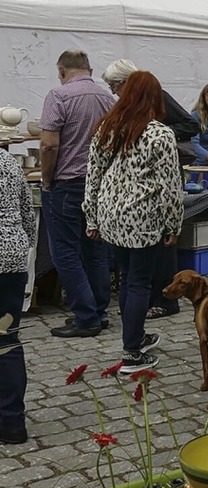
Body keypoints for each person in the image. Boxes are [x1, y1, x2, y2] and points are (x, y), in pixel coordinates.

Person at [83, 71, 184, 374]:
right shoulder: (159, 134)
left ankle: (136, 335)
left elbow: (93, 175)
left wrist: (92, 216)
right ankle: (131, 353)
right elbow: (169, 186)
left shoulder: (107, 128)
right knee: (140, 281)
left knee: (128, 279)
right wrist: (173, 225)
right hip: (142, 216)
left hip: (111, 214)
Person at [101, 58, 200, 321]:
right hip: (138, 192)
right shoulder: (122, 112)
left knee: (163, 248)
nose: (113, 92)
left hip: (162, 181)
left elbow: (191, 125)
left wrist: (158, 135)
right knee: (137, 268)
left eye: (114, 85)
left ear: (126, 82)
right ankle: (140, 307)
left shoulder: (159, 99)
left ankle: (166, 300)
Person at [40, 50, 114, 338]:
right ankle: (99, 310)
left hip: (67, 183)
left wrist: (47, 181)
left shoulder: (58, 96)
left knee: (65, 253)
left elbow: (48, 145)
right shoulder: (108, 99)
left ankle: (85, 316)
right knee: (95, 250)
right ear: (90, 69)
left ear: (61, 71)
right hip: (99, 184)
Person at [0, 149, 36, 444]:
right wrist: (24, 249)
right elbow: (27, 211)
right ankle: (12, 423)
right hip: (11, 257)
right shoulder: (7, 162)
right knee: (6, 338)